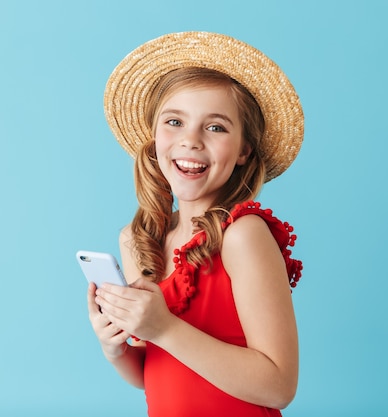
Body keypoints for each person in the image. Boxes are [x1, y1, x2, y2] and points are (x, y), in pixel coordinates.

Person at [87, 31, 304, 417]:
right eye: (174, 121)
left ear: (243, 150)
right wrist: (115, 348)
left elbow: (279, 386)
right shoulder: (140, 241)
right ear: (154, 139)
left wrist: (164, 328)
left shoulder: (243, 236)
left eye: (216, 127)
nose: (190, 141)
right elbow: (154, 370)